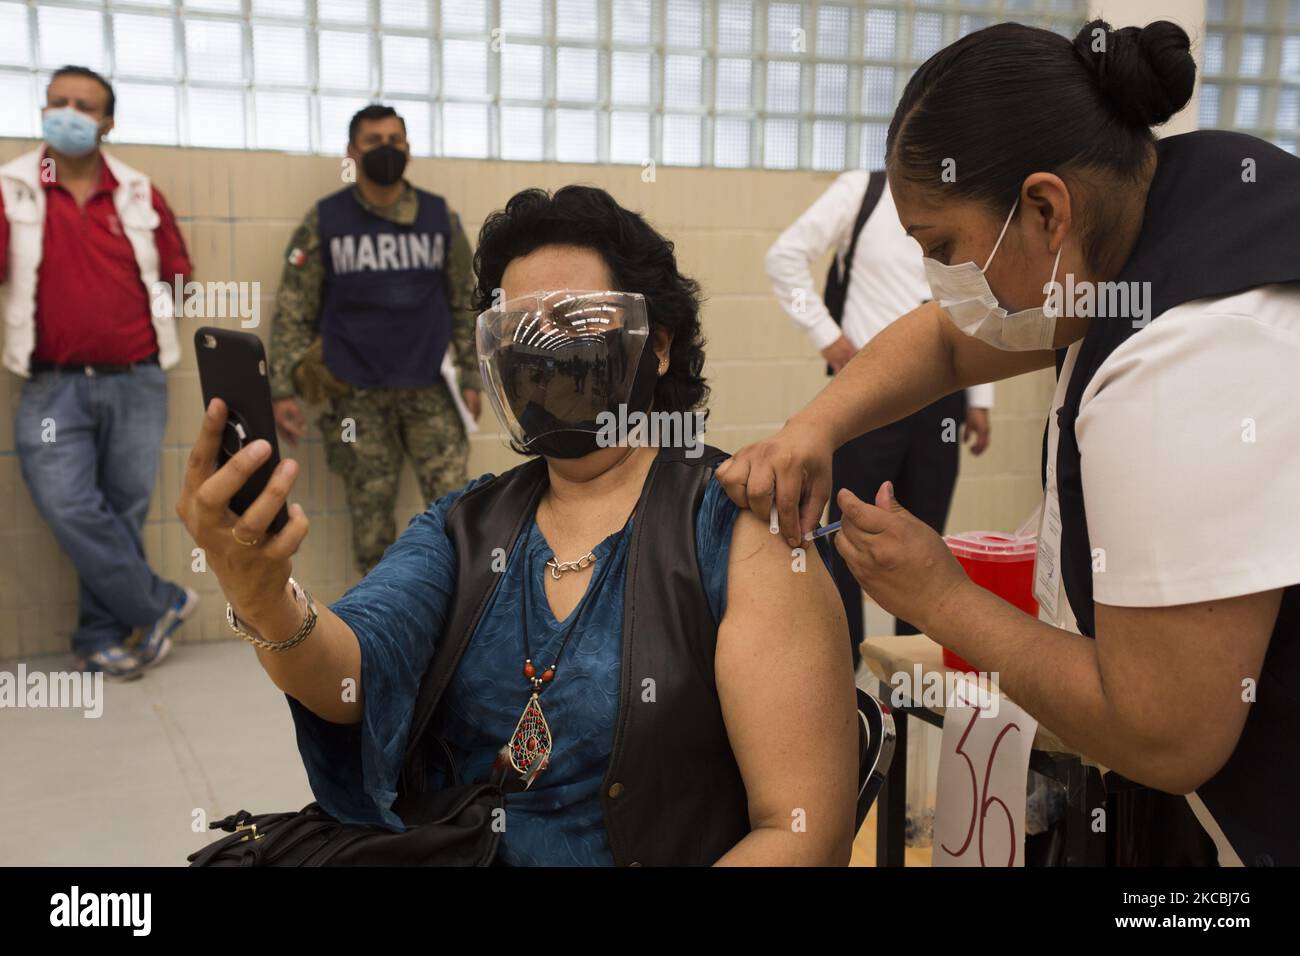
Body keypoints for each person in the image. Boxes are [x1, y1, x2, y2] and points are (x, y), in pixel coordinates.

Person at [717, 19, 1300, 866]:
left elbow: (1171, 736)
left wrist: (942, 599)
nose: (940, 282)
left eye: (943, 247)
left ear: (1044, 208)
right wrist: (815, 426)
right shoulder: (1161, 206)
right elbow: (950, 341)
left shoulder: (1192, 357)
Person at [176, 185, 859, 866]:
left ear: (657, 345)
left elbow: (801, 833)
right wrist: (262, 593)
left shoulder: (735, 532)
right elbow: (350, 672)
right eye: (518, 330)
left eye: (575, 323)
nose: (544, 351)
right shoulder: (466, 526)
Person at [0, 66, 197, 679]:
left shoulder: (139, 192)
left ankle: (99, 635)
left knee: (122, 510)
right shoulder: (12, 188)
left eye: (83, 105)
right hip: (52, 381)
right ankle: (160, 601)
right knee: (69, 504)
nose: (68, 112)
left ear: (107, 121)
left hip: (136, 379)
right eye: (57, 102)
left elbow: (180, 279)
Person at [765, 169, 993, 662]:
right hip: (868, 401)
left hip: (944, 402)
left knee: (924, 540)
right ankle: (845, 679)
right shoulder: (862, 191)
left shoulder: (965, 197)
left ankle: (910, 680)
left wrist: (980, 398)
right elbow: (784, 257)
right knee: (851, 540)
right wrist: (826, 334)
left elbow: (978, 295)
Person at [269, 104, 481, 575]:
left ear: (407, 147)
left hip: (432, 391)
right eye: (373, 142)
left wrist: (472, 375)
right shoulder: (326, 219)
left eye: (395, 140)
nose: (386, 150)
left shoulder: (438, 216)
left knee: (458, 515)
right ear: (352, 151)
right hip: (356, 397)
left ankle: (465, 622)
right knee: (372, 531)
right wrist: (283, 388)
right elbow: (293, 308)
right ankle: (382, 632)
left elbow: (465, 302)